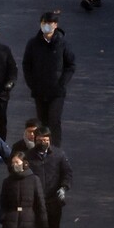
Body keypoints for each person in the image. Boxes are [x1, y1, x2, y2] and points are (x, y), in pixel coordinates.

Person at [22, 11, 76, 148]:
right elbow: (26, 65)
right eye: (44, 23)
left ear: (55, 25)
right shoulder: (33, 43)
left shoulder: (63, 44)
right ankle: (41, 147)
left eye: (50, 23)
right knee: (42, 122)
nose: (46, 26)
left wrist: (62, 83)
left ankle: (55, 149)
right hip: (39, 90)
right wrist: (32, 84)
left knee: (54, 120)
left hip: (56, 91)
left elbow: (70, 65)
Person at [24, 126, 72, 228]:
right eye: (40, 139)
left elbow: (67, 173)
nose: (43, 142)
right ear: (35, 139)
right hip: (35, 202)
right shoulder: (28, 156)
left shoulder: (58, 155)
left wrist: (64, 187)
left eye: (46, 140)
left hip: (53, 202)